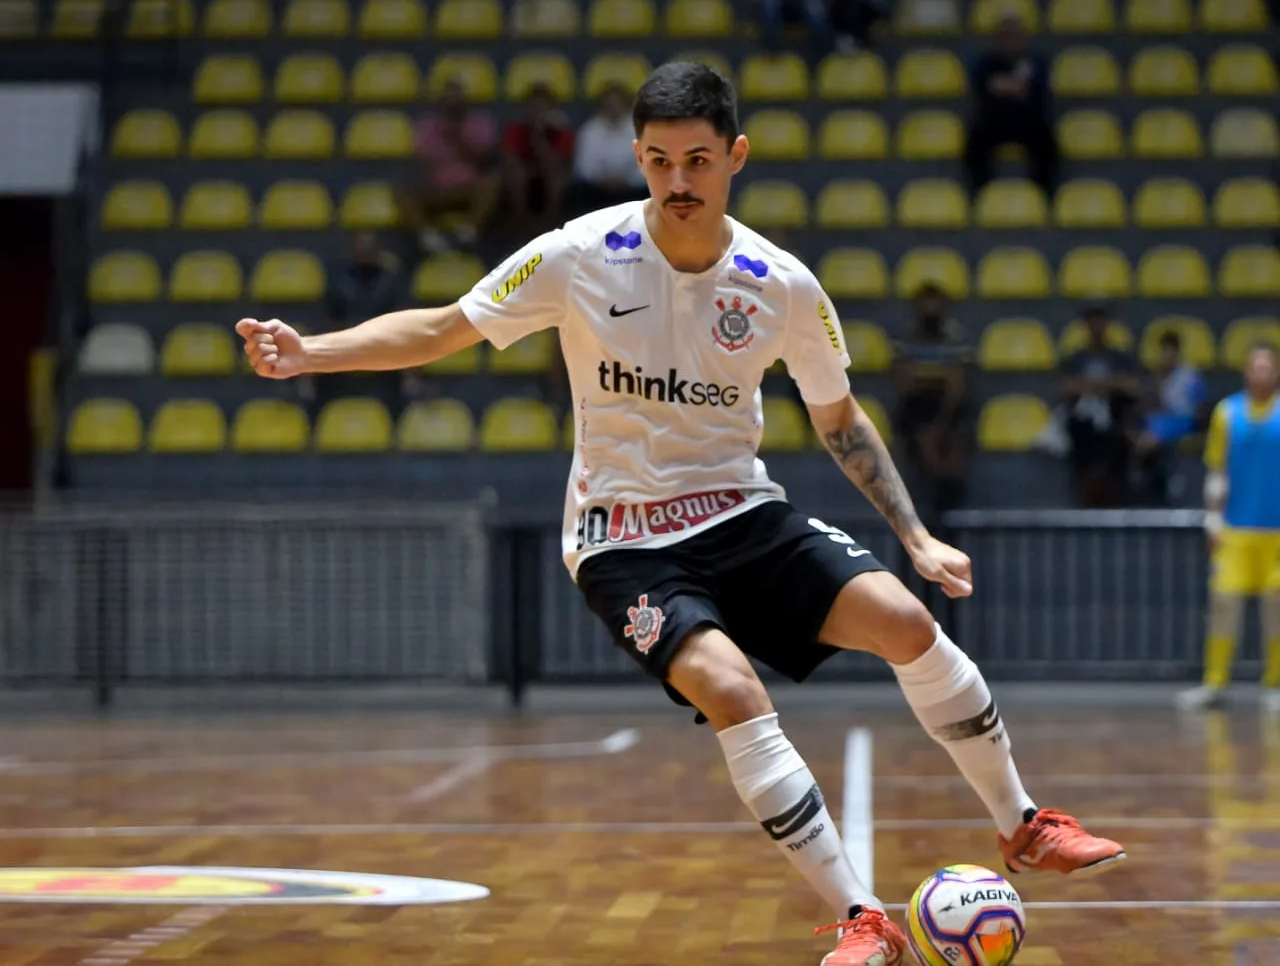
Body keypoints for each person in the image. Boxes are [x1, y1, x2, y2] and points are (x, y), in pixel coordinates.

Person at [236, 62, 1124, 966]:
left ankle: (1023, 824)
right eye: (659, 161)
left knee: (904, 618)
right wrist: (311, 353)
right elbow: (444, 326)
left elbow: (839, 419)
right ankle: (865, 919)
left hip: (742, 511)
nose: (678, 182)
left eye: (698, 160)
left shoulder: (780, 285)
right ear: (637, 158)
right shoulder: (578, 254)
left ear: (736, 156)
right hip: (622, 538)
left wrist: (916, 537)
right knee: (735, 690)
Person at [1178, 342, 1280, 713]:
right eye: (1256, 366)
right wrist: (1213, 519)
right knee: (1223, 607)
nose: (1262, 373)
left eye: (1268, 366)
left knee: (1277, 609)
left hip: (1277, 533)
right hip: (1236, 529)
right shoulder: (1227, 413)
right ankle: (1215, 683)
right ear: (1246, 371)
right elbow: (1217, 470)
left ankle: (1275, 684)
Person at [892, 283, 972, 517]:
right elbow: (904, 383)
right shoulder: (905, 339)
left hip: (951, 413)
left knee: (949, 434)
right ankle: (941, 494)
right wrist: (939, 379)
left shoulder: (956, 338)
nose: (931, 310)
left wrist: (925, 378)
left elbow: (958, 384)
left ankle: (946, 499)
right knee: (927, 436)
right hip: (914, 411)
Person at [398, 79, 501, 254]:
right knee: (401, 191)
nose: (453, 105)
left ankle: (468, 232)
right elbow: (423, 158)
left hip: (469, 189)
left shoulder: (479, 124)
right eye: (449, 100)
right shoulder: (427, 127)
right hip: (437, 189)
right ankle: (428, 237)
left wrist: (459, 138)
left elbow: (485, 156)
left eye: (457, 100)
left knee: (493, 184)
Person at [963, 14, 1057, 197]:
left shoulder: (1037, 62)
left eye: (1015, 36)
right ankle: (979, 195)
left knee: (1047, 145)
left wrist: (1004, 86)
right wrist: (1016, 87)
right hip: (993, 121)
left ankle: (1044, 196)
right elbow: (985, 87)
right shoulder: (984, 62)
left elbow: (1035, 90)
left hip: (1029, 122)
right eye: (1005, 36)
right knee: (974, 143)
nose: (1010, 41)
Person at [1059, 306, 1142, 507]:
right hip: (1082, 422)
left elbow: (1132, 387)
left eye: (1101, 320)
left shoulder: (1120, 357)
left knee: (1122, 439)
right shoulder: (1075, 358)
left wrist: (1091, 385)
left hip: (1115, 419)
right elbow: (1067, 388)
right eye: (1092, 320)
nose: (1097, 326)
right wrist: (1110, 385)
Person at [1131, 330, 1207, 503]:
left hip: (1184, 421)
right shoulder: (1157, 377)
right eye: (1165, 351)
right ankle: (1141, 479)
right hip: (1161, 420)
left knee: (1151, 436)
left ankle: (1145, 468)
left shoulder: (1190, 376)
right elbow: (1149, 406)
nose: (1168, 355)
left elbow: (1200, 408)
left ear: (1177, 352)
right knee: (1143, 430)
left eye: (1171, 351)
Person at [501, 82, 575, 240]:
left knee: (556, 178)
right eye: (533, 107)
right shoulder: (515, 130)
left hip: (549, 174)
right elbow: (510, 159)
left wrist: (539, 136)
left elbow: (555, 163)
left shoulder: (562, 132)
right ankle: (521, 223)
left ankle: (550, 224)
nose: (537, 112)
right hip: (525, 174)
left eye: (542, 107)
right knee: (517, 175)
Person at [571, 83, 649, 217]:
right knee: (579, 192)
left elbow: (647, 162)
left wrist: (627, 181)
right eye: (609, 105)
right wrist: (603, 180)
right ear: (602, 107)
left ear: (626, 106)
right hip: (598, 188)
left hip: (632, 189)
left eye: (618, 105)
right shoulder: (590, 130)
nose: (614, 109)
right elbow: (585, 166)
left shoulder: (640, 131)